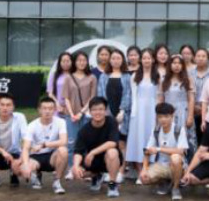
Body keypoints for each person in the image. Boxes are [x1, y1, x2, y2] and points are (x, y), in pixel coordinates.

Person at [71, 97, 121, 198]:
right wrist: (75, 166)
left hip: (109, 159)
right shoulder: (84, 130)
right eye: (94, 109)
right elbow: (78, 151)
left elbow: (112, 143)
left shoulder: (111, 122)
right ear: (90, 112)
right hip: (93, 161)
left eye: (100, 109)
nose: (97, 112)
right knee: (75, 172)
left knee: (112, 152)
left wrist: (93, 152)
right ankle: (97, 175)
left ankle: (112, 184)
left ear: (105, 111)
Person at [141, 102, 188, 201]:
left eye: (166, 116)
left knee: (175, 158)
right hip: (162, 165)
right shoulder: (156, 130)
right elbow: (147, 151)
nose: (163, 119)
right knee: (144, 179)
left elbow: (181, 151)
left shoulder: (179, 129)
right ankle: (165, 182)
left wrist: (159, 149)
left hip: (177, 166)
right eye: (160, 117)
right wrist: (144, 169)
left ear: (172, 116)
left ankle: (175, 187)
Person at [21, 97, 68, 195]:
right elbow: (25, 148)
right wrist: (25, 164)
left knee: (63, 150)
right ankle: (35, 175)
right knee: (21, 167)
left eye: (50, 108)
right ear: (39, 110)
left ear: (54, 110)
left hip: (52, 156)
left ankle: (57, 182)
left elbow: (63, 141)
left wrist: (44, 144)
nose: (47, 111)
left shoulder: (61, 122)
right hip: (36, 156)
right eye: (44, 108)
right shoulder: (32, 125)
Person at [97, 48, 132, 183]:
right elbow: (100, 95)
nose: (115, 61)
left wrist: (122, 111)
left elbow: (128, 94)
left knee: (121, 144)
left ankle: (121, 172)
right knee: (109, 144)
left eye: (118, 58)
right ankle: (109, 171)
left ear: (122, 60)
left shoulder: (127, 76)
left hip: (123, 115)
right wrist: (105, 112)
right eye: (113, 58)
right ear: (109, 60)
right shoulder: (104, 76)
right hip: (107, 114)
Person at [61, 50, 98, 175]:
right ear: (74, 62)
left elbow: (92, 97)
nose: (82, 63)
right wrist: (72, 114)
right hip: (70, 115)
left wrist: (81, 113)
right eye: (79, 60)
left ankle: (86, 168)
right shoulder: (68, 77)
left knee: (87, 143)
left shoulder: (92, 77)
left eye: (84, 60)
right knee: (72, 143)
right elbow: (66, 98)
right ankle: (71, 168)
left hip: (86, 115)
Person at [125, 48, 161, 171]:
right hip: (138, 112)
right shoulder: (135, 76)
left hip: (152, 111)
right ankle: (140, 170)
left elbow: (159, 96)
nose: (146, 60)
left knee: (151, 136)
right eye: (144, 58)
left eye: (149, 58)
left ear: (153, 60)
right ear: (141, 60)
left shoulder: (157, 76)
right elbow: (133, 96)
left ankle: (150, 168)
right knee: (138, 137)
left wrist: (158, 113)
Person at [160, 54, 197, 159]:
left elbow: (191, 99)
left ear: (183, 66)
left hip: (183, 113)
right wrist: (160, 116)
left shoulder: (188, 80)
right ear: (170, 65)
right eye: (174, 63)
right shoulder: (164, 80)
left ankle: (187, 163)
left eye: (179, 63)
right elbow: (161, 99)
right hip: (168, 114)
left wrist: (190, 116)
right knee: (169, 137)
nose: (177, 65)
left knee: (185, 138)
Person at [192, 47, 209, 141]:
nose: (201, 58)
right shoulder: (188, 74)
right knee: (193, 138)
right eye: (198, 56)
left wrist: (205, 108)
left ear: (208, 59)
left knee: (206, 139)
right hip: (192, 111)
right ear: (194, 58)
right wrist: (193, 107)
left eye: (203, 56)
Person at [47, 52, 72, 118]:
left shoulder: (75, 75)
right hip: (57, 108)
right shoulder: (54, 75)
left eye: (68, 61)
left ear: (72, 62)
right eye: (63, 61)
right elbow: (50, 94)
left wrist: (68, 106)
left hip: (72, 108)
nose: (65, 63)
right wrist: (57, 104)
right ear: (59, 63)